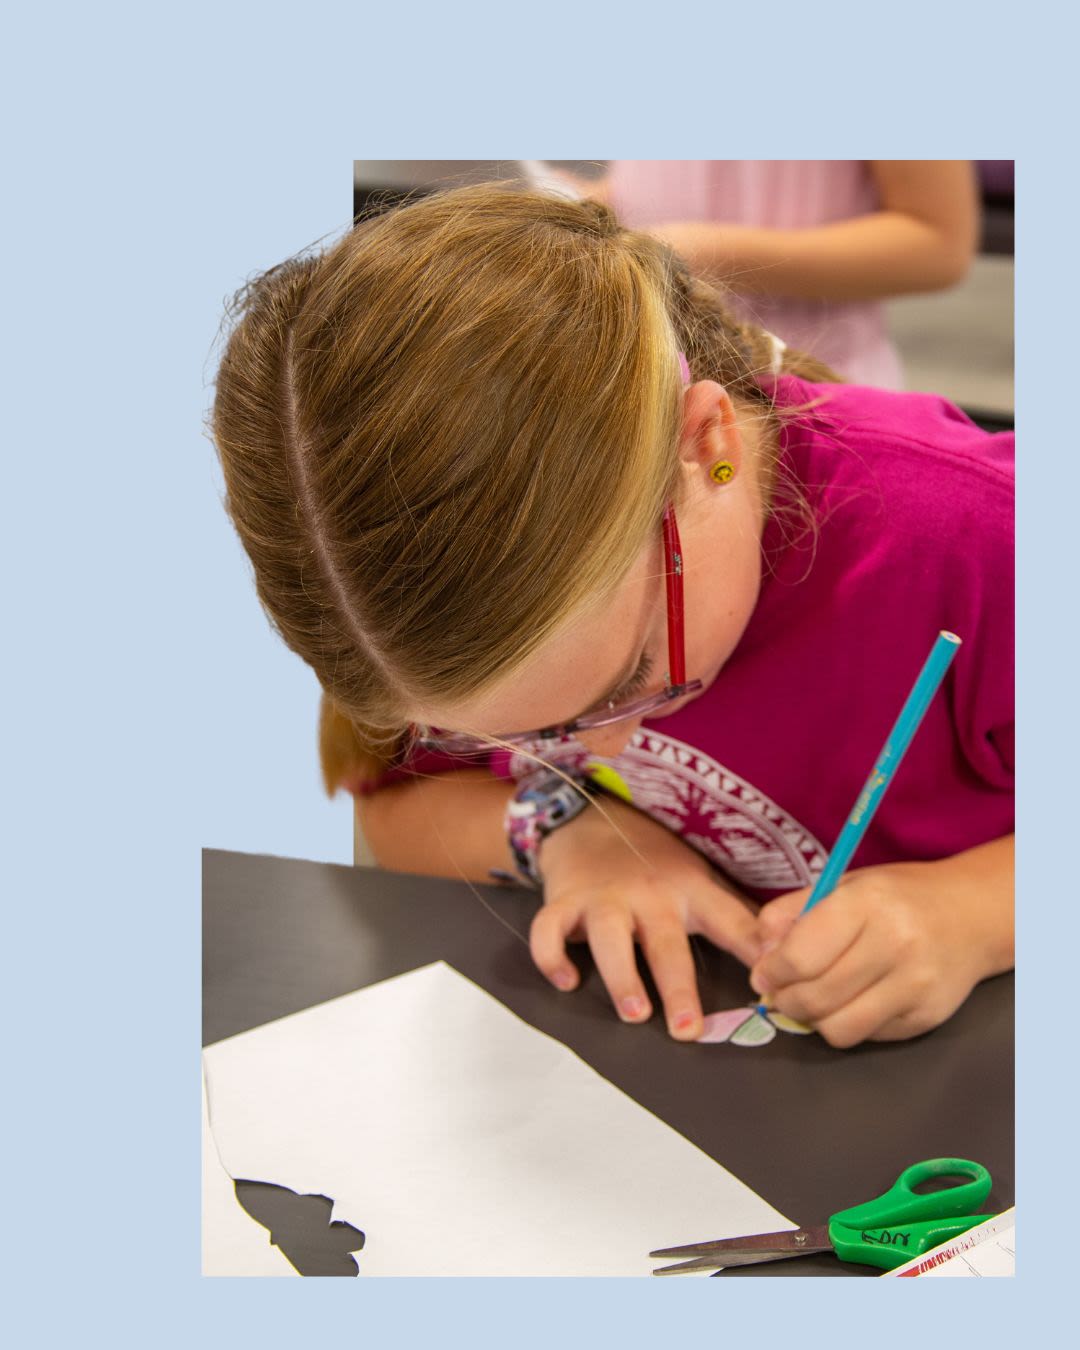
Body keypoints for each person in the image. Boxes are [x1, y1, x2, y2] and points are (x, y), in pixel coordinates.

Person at [212, 184, 1013, 1049]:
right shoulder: (398, 583)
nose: (599, 751)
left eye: (630, 677)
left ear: (708, 445)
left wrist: (977, 912)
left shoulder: (975, 535)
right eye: (521, 739)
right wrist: (571, 831)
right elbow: (392, 811)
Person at [530, 160, 979, 388]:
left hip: (811, 391)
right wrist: (587, 202)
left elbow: (941, 242)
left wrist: (713, 252)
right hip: (655, 380)